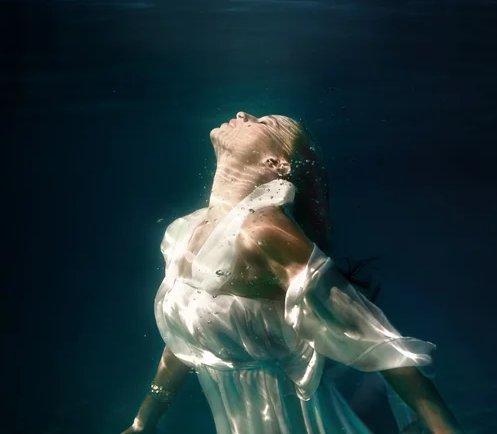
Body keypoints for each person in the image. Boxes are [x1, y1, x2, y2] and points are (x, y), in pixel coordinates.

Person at [121, 112, 463, 434]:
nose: (243, 115)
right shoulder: (184, 230)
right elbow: (187, 337)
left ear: (275, 164)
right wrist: (144, 422)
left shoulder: (263, 233)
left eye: (264, 122)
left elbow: (377, 342)